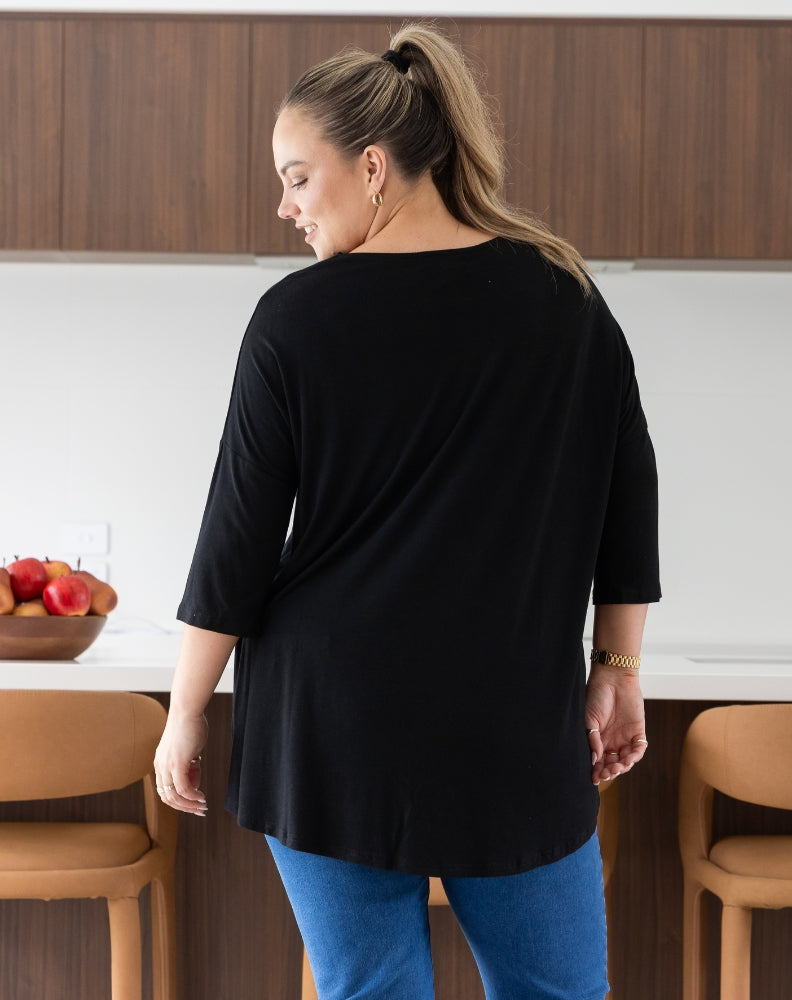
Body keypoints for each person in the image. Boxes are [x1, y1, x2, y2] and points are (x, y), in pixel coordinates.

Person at [154, 22, 660, 1000]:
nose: (286, 205)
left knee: (371, 989)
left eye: (300, 176)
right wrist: (618, 672)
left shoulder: (297, 319)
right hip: (509, 723)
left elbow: (237, 543)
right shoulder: (566, 301)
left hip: (328, 725)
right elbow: (624, 507)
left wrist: (184, 712)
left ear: (373, 167)